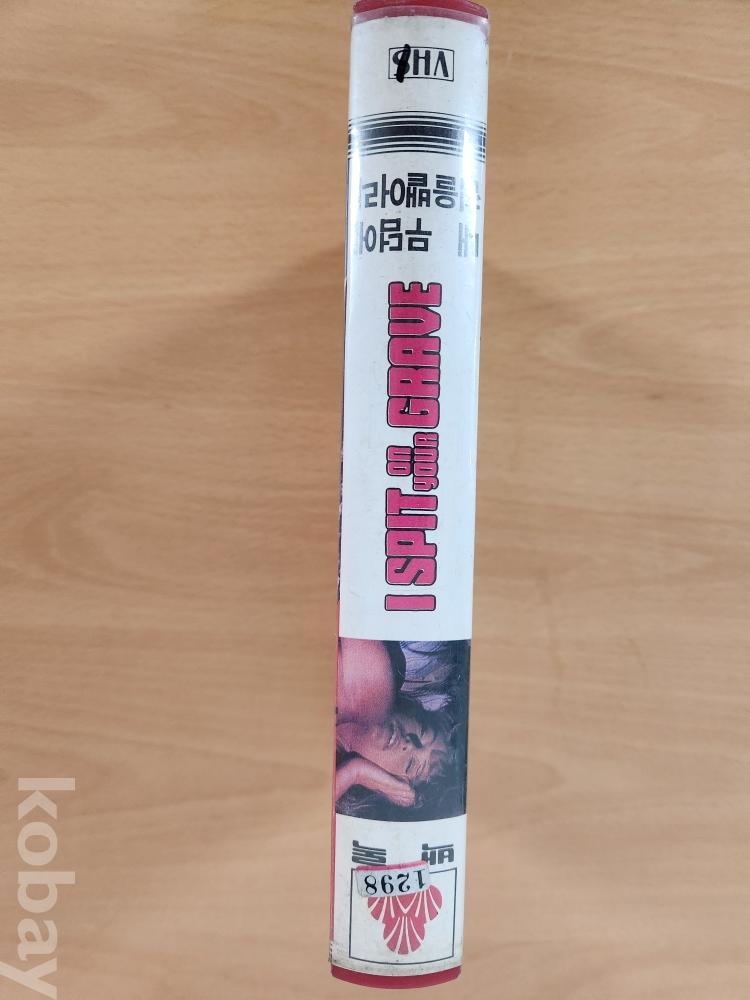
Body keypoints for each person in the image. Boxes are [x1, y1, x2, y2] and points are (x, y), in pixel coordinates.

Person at [335, 638, 466, 820]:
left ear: (382, 786)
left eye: (410, 764)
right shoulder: (374, 683)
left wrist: (355, 772)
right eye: (422, 732)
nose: (409, 743)